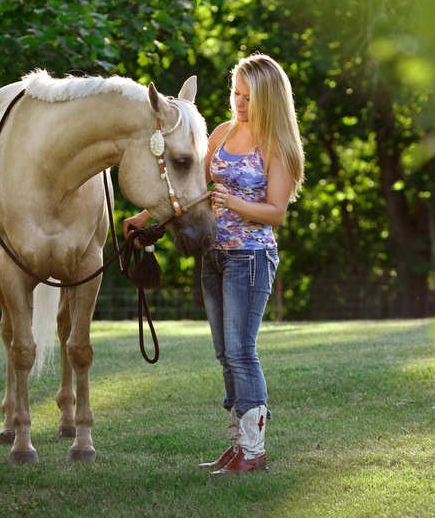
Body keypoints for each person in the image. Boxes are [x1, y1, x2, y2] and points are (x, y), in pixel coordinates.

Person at [124, 53, 304, 474]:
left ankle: (254, 451)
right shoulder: (222, 133)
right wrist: (145, 217)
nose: (238, 104)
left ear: (269, 99)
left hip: (252, 257)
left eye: (247, 97)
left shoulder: (278, 146)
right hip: (215, 257)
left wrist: (234, 202)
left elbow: (276, 212)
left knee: (242, 352)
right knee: (225, 353)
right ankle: (238, 444)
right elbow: (190, 187)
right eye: (235, 94)